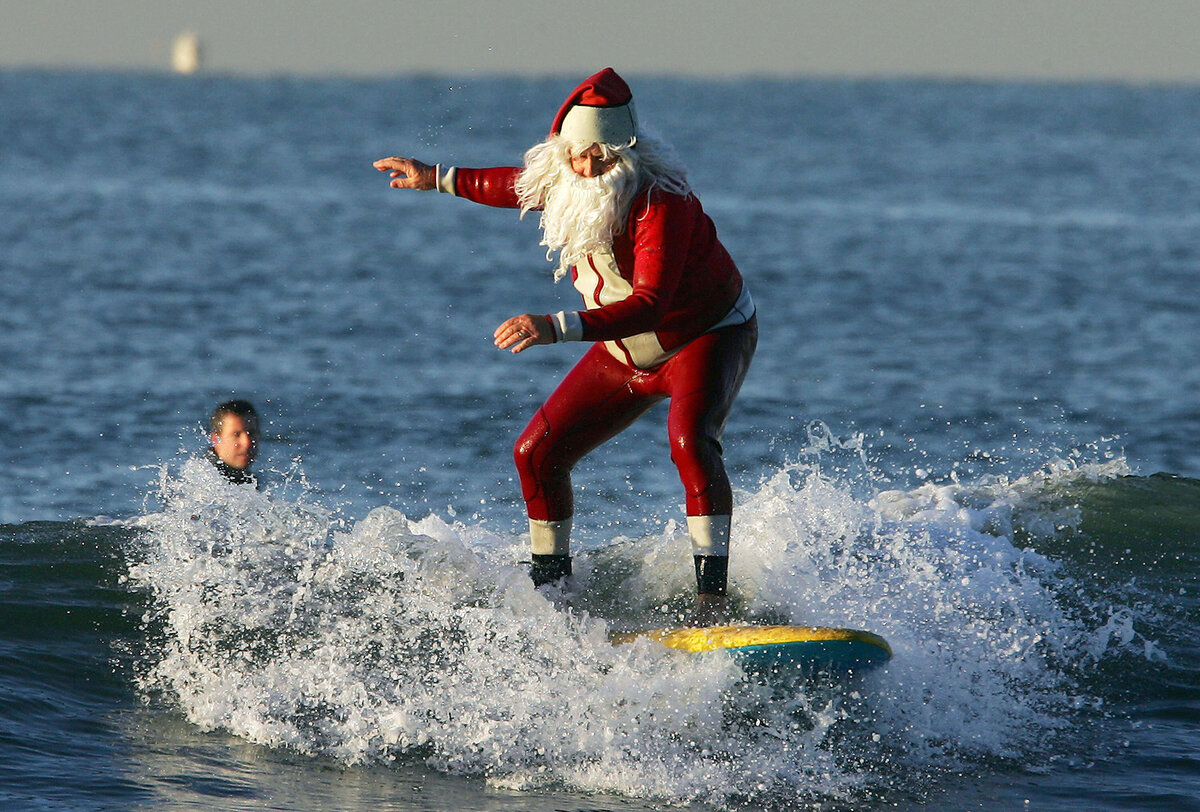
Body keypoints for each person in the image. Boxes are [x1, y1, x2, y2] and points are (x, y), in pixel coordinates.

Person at [374, 68, 757, 623]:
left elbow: (651, 302)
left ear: (625, 153)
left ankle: (712, 605)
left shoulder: (659, 203)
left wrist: (556, 326)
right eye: (579, 156)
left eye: (601, 158)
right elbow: (513, 185)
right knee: (537, 453)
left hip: (703, 336)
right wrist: (435, 176)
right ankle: (554, 597)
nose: (587, 169)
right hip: (624, 349)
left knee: (688, 442)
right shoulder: (566, 175)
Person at [207, 399, 260, 485]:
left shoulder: (247, 479)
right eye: (236, 434)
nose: (247, 443)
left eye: (251, 433)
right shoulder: (207, 482)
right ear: (216, 439)